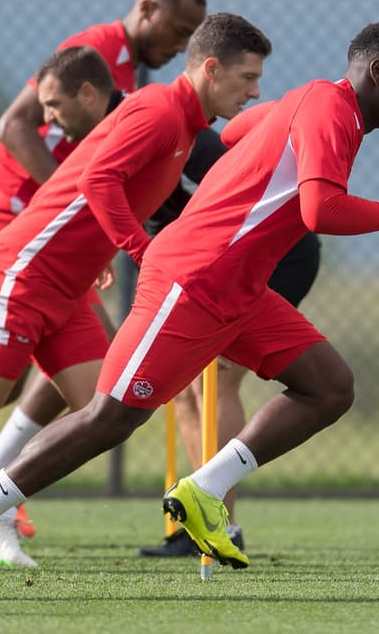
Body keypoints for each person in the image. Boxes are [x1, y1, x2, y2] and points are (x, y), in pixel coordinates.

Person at [0, 22, 379, 581]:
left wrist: (266, 153)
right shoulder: (330, 110)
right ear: (377, 73)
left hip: (239, 289)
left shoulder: (316, 102)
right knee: (109, 419)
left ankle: (203, 491)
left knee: (330, 386)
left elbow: (241, 129)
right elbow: (321, 211)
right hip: (193, 278)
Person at [0, 13, 270, 575]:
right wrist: (137, 249)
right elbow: (96, 181)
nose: (256, 90)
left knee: (101, 414)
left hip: (66, 288)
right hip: (22, 270)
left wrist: (101, 254)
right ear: (211, 69)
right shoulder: (161, 110)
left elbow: (103, 187)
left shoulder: (184, 122)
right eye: (247, 77)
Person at [0, 0, 206, 551]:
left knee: (77, 379)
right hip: (15, 214)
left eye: (193, 34)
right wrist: (67, 218)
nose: (180, 44)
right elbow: (14, 124)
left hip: (49, 225)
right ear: (146, 8)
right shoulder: (96, 52)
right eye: (177, 28)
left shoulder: (137, 76)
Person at [137, 128, 322, 558]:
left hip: (274, 258)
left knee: (214, 382)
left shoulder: (162, 140)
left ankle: (224, 522)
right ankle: (198, 520)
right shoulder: (113, 158)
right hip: (213, 265)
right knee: (182, 391)